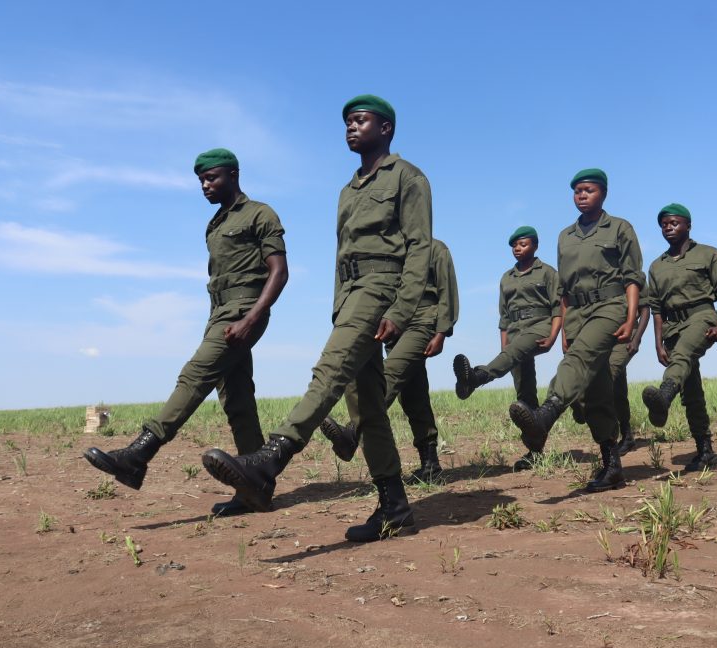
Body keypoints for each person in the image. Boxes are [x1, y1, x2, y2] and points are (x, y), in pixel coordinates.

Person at [201, 95, 434, 541]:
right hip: (350, 296)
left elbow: (420, 246)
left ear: (385, 129)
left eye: (360, 121)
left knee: (327, 373)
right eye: (347, 121)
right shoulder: (349, 189)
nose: (350, 127)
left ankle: (271, 459)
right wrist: (338, 308)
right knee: (368, 404)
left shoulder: (407, 177)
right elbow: (342, 255)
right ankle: (395, 507)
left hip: (381, 288)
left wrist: (402, 308)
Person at [84, 149, 289, 516]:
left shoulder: (260, 213)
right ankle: (255, 487)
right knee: (237, 397)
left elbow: (279, 271)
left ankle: (140, 452)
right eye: (201, 181)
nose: (206, 185)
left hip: (244, 311)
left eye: (213, 178)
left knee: (195, 375)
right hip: (219, 313)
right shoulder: (214, 224)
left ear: (233, 175)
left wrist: (253, 317)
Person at [507, 169, 643, 491]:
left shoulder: (620, 228)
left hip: (611, 307)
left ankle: (546, 415)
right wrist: (566, 327)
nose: (582, 195)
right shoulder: (565, 236)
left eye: (589, 190)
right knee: (595, 387)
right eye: (577, 191)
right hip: (577, 312)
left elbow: (633, 278)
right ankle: (612, 465)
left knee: (580, 359)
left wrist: (631, 317)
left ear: (603, 194)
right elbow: (564, 289)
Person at [320, 238, 459, 483]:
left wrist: (441, 332)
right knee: (414, 394)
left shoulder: (436, 248)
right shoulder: (390, 251)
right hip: (396, 324)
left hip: (424, 319)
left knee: (390, 374)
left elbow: (447, 291)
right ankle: (430, 464)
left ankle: (352, 433)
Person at [642, 204, 717, 472]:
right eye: (664, 224)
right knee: (691, 390)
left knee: (682, 355)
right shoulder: (656, 266)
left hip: (702, 318)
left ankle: (664, 394)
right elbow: (656, 309)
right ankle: (704, 449)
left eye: (674, 223)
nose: (668, 228)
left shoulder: (709, 254)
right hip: (672, 326)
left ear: (688, 225)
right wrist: (657, 343)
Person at [452, 225, 561, 420]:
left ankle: (477, 378)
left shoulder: (547, 272)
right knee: (523, 388)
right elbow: (503, 315)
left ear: (535, 246)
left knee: (517, 355)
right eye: (514, 246)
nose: (517, 248)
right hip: (514, 330)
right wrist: (505, 347)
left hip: (539, 325)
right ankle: (535, 440)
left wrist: (553, 336)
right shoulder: (506, 278)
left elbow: (558, 307)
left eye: (522, 244)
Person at [569, 276, 650, 455]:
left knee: (608, 375)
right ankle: (626, 435)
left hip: (626, 336)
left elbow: (645, 309)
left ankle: (585, 407)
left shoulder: (629, 272)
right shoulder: (599, 272)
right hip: (603, 335)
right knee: (617, 387)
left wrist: (636, 339)